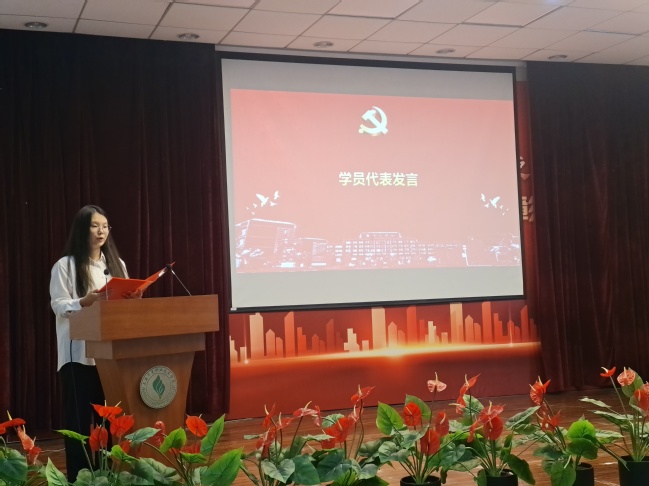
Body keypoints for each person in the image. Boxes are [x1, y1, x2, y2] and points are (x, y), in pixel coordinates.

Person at [50, 205, 135, 481]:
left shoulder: (117, 265)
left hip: (109, 356)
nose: (101, 231)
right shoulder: (65, 266)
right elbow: (58, 305)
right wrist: (83, 302)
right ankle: (78, 478)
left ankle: (106, 476)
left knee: (108, 421)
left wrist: (133, 299)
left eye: (105, 226)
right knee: (78, 424)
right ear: (82, 229)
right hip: (78, 355)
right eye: (95, 225)